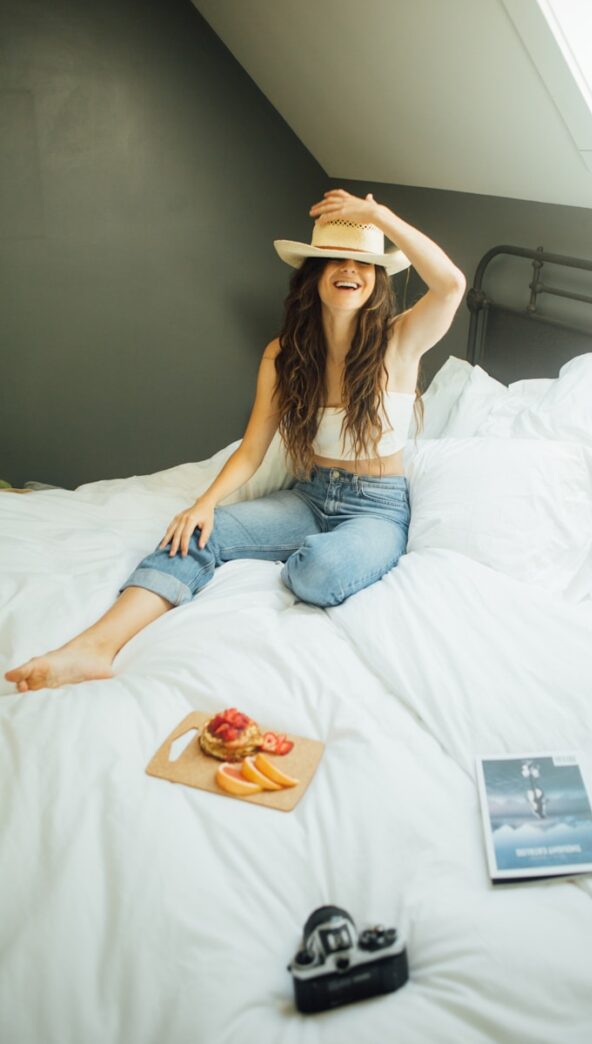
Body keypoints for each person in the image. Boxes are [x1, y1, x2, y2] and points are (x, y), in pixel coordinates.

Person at [5, 188, 466, 693]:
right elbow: (251, 450)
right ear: (313, 276)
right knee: (196, 534)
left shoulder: (400, 341)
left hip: (376, 510)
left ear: (377, 278)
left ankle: (320, 553)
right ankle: (94, 647)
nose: (348, 269)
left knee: (319, 574)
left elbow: (449, 285)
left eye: (362, 261)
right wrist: (203, 505)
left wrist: (377, 215)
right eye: (332, 258)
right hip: (310, 496)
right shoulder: (284, 354)